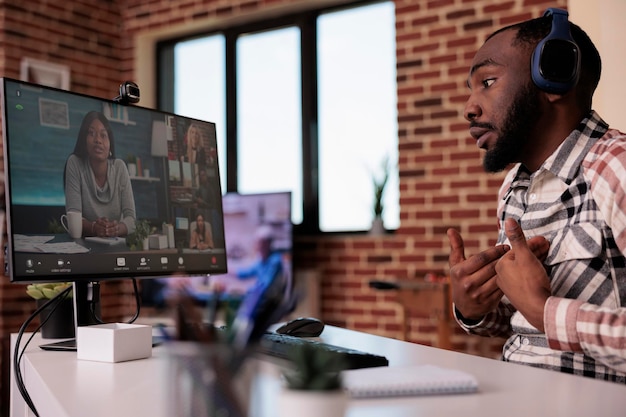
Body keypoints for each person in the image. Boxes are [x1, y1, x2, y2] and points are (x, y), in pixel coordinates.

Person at [447, 9, 626, 382]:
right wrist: (474, 309)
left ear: (553, 77)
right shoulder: (514, 185)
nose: (469, 108)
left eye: (488, 81)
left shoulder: (616, 166)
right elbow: (526, 325)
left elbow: (539, 313)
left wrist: (545, 309)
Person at [64, 111, 136, 238]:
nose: (98, 140)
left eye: (103, 135)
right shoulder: (75, 163)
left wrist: (114, 229)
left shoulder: (119, 167)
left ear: (110, 143)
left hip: (115, 245)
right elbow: (73, 215)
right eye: (91, 133)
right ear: (84, 140)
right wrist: (94, 228)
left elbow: (131, 219)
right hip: (84, 247)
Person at [236, 225, 283, 292]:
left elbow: (266, 285)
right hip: (262, 296)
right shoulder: (261, 260)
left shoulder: (275, 260)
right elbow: (246, 273)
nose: (258, 246)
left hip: (271, 299)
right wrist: (226, 271)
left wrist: (246, 290)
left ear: (268, 244)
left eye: (261, 243)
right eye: (258, 243)